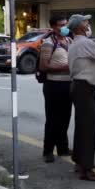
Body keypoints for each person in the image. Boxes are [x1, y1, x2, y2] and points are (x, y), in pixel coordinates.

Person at [67, 14, 95, 181]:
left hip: (80, 86)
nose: (88, 24)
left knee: (82, 126)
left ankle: (79, 161)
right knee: (88, 128)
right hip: (84, 87)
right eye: (85, 22)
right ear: (79, 27)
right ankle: (87, 168)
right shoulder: (84, 43)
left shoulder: (76, 43)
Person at [38, 15, 73, 163]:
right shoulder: (48, 43)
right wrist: (66, 67)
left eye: (65, 24)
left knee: (65, 118)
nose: (63, 27)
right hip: (53, 85)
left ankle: (63, 148)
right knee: (53, 119)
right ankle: (48, 151)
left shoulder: (70, 41)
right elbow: (43, 66)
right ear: (53, 27)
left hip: (68, 84)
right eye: (60, 25)